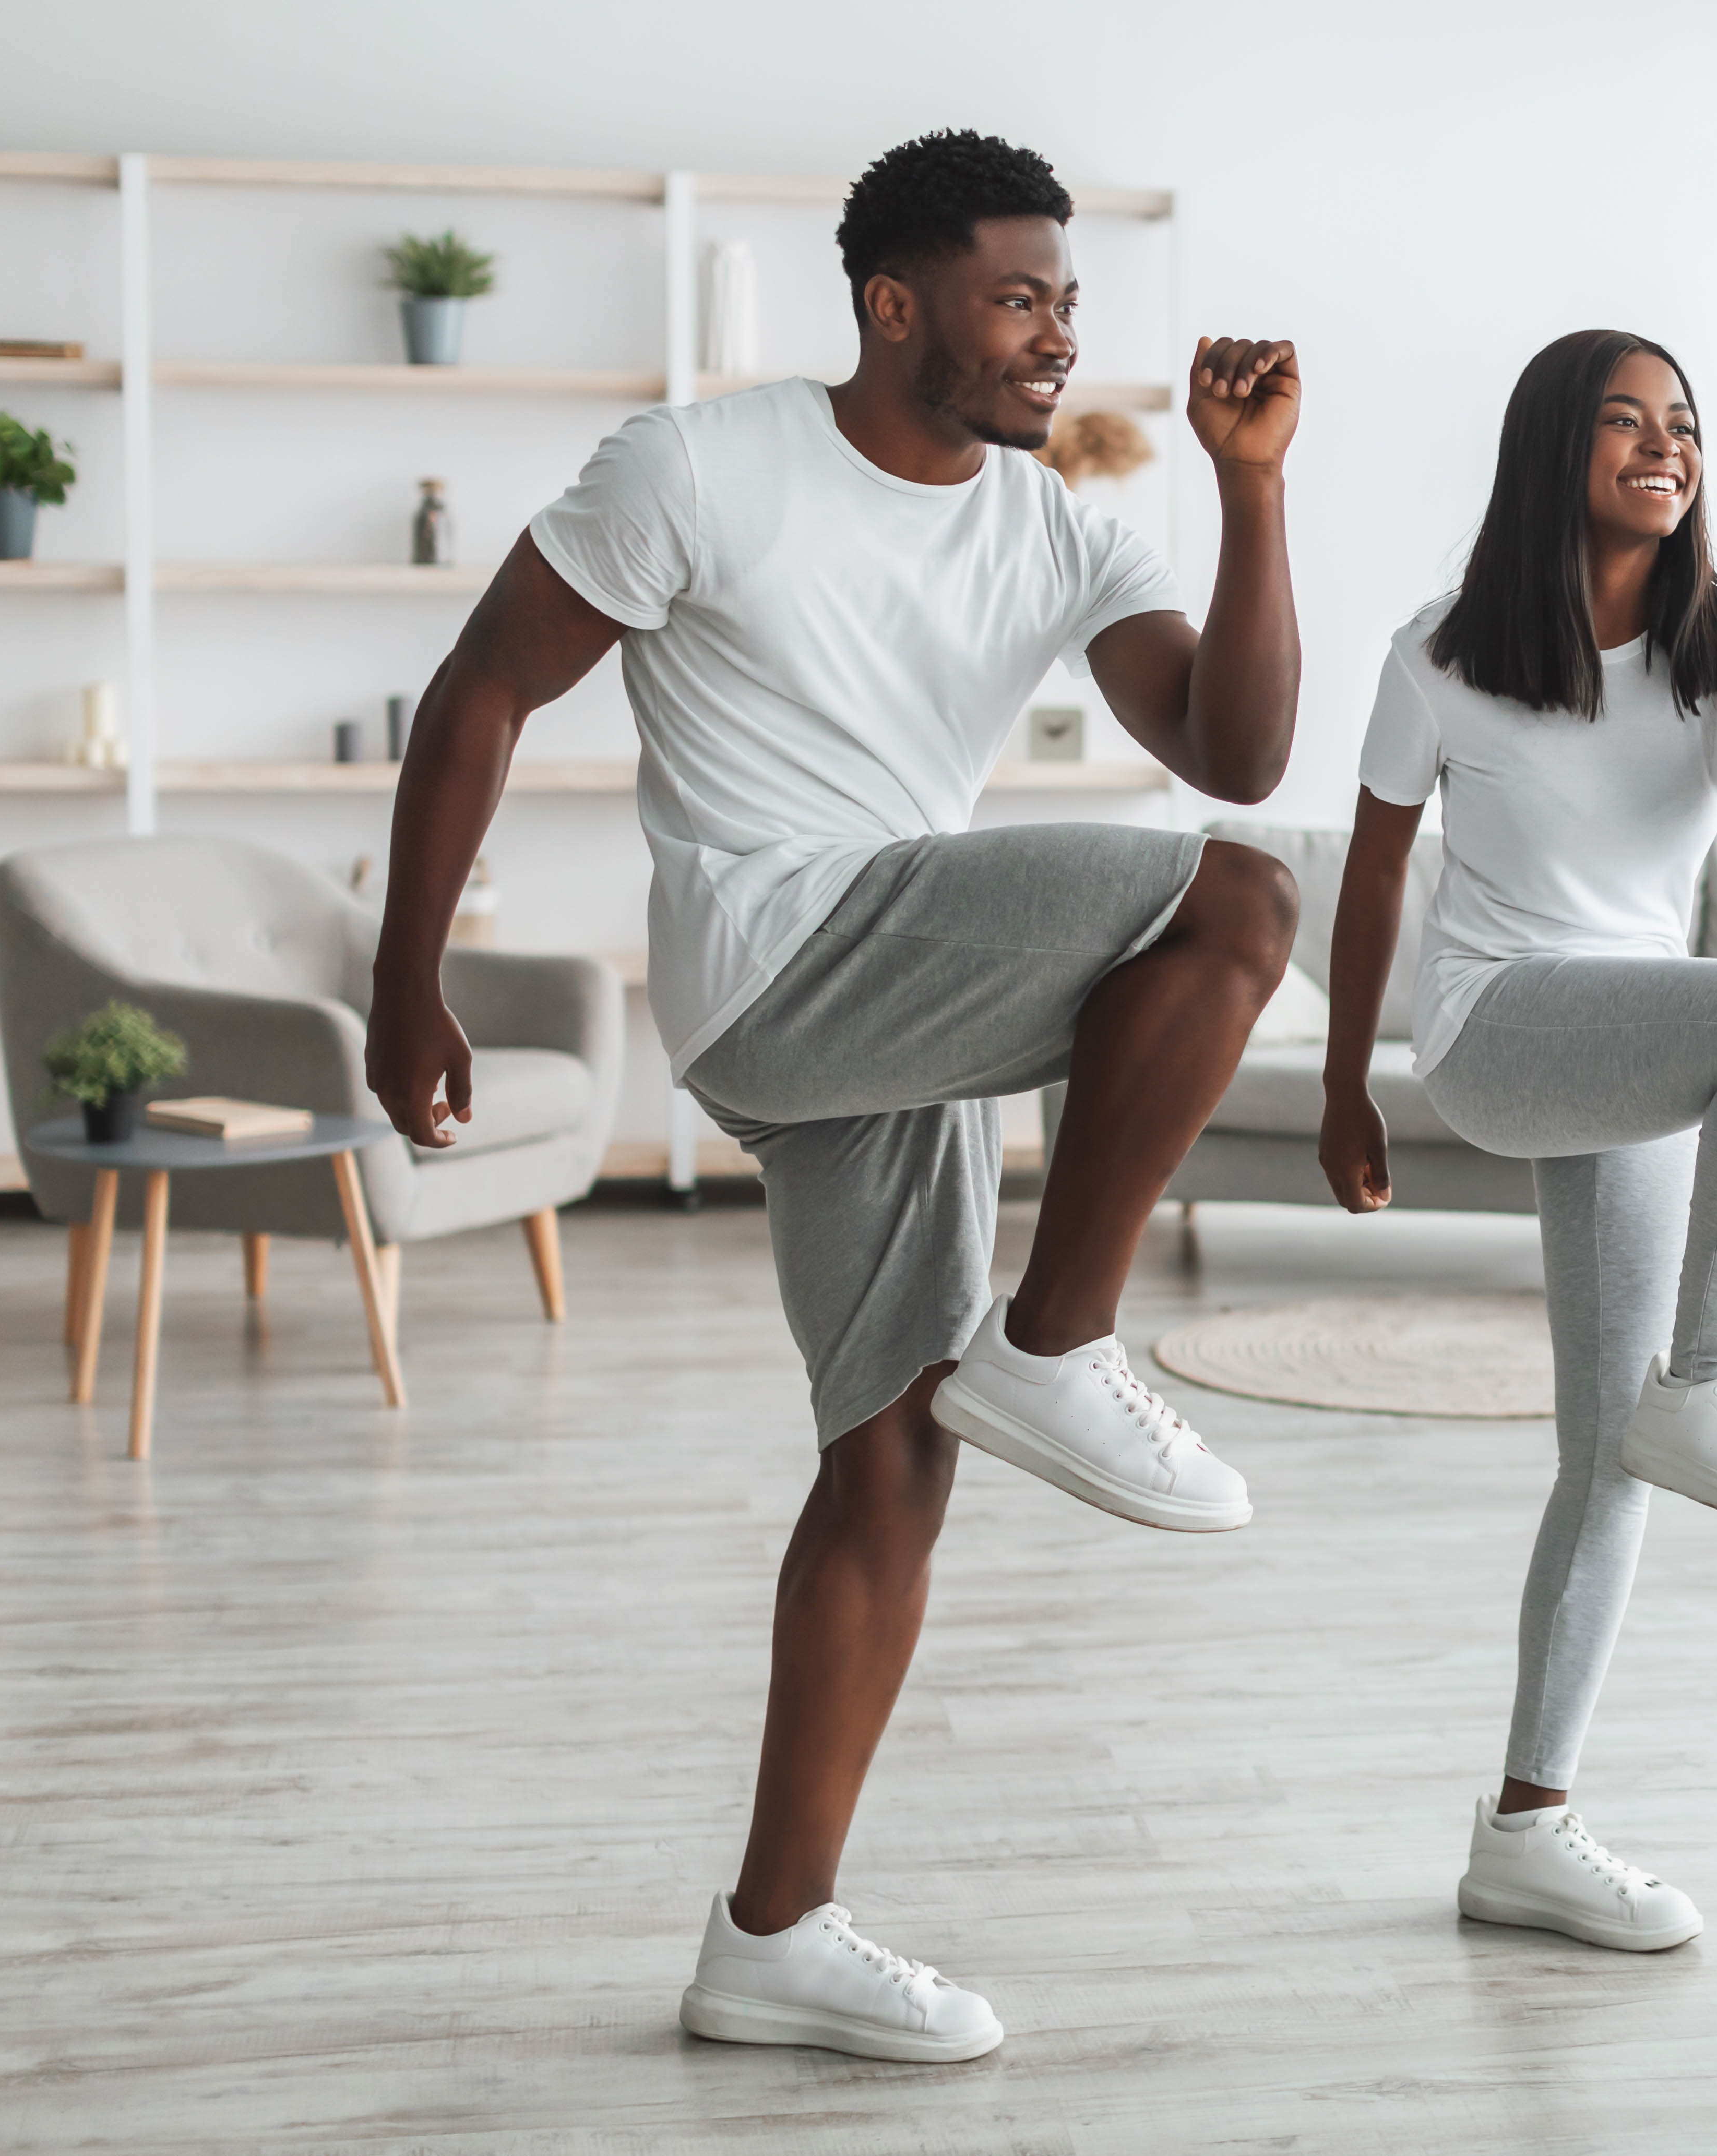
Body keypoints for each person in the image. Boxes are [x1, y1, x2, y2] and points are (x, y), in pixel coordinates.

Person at [363, 129, 1303, 2063]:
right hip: (788, 958)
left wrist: (1252, 497)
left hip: (906, 1003)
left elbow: (1229, 740)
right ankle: (1060, 1338)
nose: (1057, 335)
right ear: (897, 303)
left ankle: (768, 1935)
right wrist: (406, 981)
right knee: (1245, 903)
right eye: (1018, 295)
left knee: (890, 1454)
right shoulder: (700, 464)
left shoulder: (1052, 523)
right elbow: (482, 686)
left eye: (1069, 300)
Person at [1318, 329, 1717, 1953]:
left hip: (1626, 1048)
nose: (1665, 444)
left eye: (1683, 423)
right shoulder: (1441, 653)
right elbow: (1368, 874)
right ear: (1556, 450)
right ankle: (1710, 1378)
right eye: (1624, 420)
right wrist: (1347, 1081)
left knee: (1604, 1457)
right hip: (1498, 1028)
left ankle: (1529, 1829)